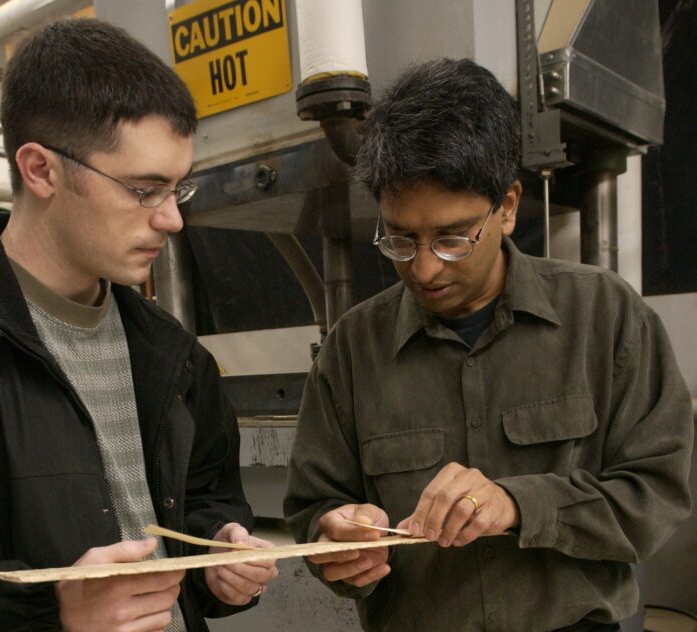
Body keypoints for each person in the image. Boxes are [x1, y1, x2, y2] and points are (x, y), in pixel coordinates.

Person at [284, 58, 693, 631]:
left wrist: (521, 504)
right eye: (400, 239)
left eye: (452, 238)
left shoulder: (604, 317)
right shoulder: (352, 349)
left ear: (506, 206)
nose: (424, 269)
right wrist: (336, 537)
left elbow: (658, 495)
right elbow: (312, 508)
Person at [0, 18, 277, 632]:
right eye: (143, 190)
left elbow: (205, 501)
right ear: (41, 170)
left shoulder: (172, 352)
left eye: (176, 190)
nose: (173, 222)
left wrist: (217, 554)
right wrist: (51, 614)